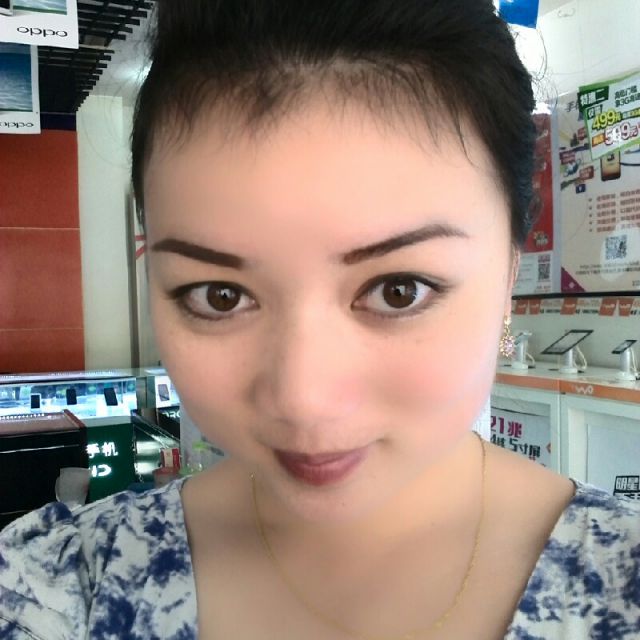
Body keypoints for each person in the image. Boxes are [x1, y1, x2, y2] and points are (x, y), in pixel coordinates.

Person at [1, 1, 639, 638]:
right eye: (219, 296)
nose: (304, 401)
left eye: (397, 291)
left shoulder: (623, 584)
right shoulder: (59, 587)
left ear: (509, 272)